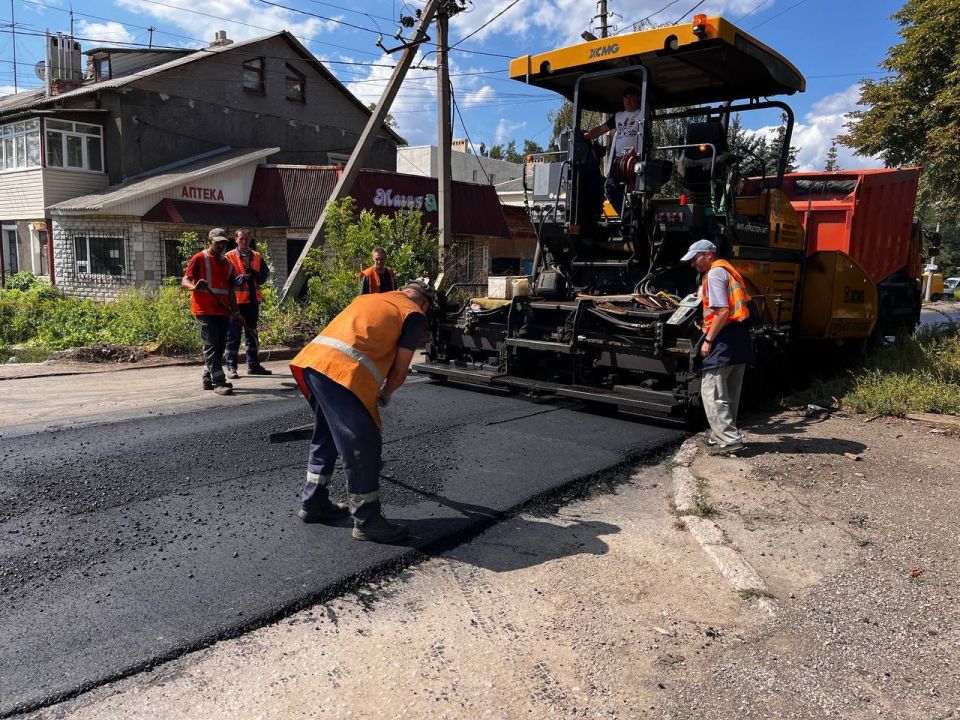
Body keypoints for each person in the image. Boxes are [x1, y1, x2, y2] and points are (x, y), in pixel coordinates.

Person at [289, 279, 433, 543]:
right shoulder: (413, 314)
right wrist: (385, 394)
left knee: (327, 436)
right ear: (425, 304)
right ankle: (367, 520)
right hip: (343, 375)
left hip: (313, 364)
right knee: (363, 443)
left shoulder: (370, 298)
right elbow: (399, 373)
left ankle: (314, 502)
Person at [681, 239, 754, 455]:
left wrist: (708, 340)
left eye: (695, 259)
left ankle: (729, 440)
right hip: (739, 337)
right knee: (730, 393)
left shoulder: (714, 274)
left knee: (712, 392)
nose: (693, 264)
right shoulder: (727, 271)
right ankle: (720, 434)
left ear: (708, 255)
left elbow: (722, 312)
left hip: (723, 336)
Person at [182, 228, 244, 396]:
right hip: (205, 310)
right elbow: (185, 281)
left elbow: (231, 291)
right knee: (211, 346)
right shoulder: (199, 258)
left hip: (223, 311)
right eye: (218, 243)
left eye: (223, 243)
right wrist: (194, 287)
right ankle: (219, 382)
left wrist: (237, 313)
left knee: (219, 347)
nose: (221, 246)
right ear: (210, 242)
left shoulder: (229, 265)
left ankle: (208, 378)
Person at [583, 85, 643, 220]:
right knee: (609, 187)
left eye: (632, 97)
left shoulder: (642, 114)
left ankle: (636, 216)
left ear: (638, 98)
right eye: (626, 97)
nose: (628, 100)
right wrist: (586, 136)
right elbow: (601, 129)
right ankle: (628, 217)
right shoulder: (618, 116)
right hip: (620, 161)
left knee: (636, 192)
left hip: (636, 160)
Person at [224, 228, 272, 378]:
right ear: (236, 240)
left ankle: (253, 365)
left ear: (250, 239)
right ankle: (231, 367)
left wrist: (257, 276)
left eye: (246, 239)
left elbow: (264, 275)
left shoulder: (257, 256)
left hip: (252, 302)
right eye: (241, 239)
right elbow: (225, 280)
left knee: (252, 334)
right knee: (233, 336)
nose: (244, 241)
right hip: (236, 303)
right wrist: (242, 278)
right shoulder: (229, 257)